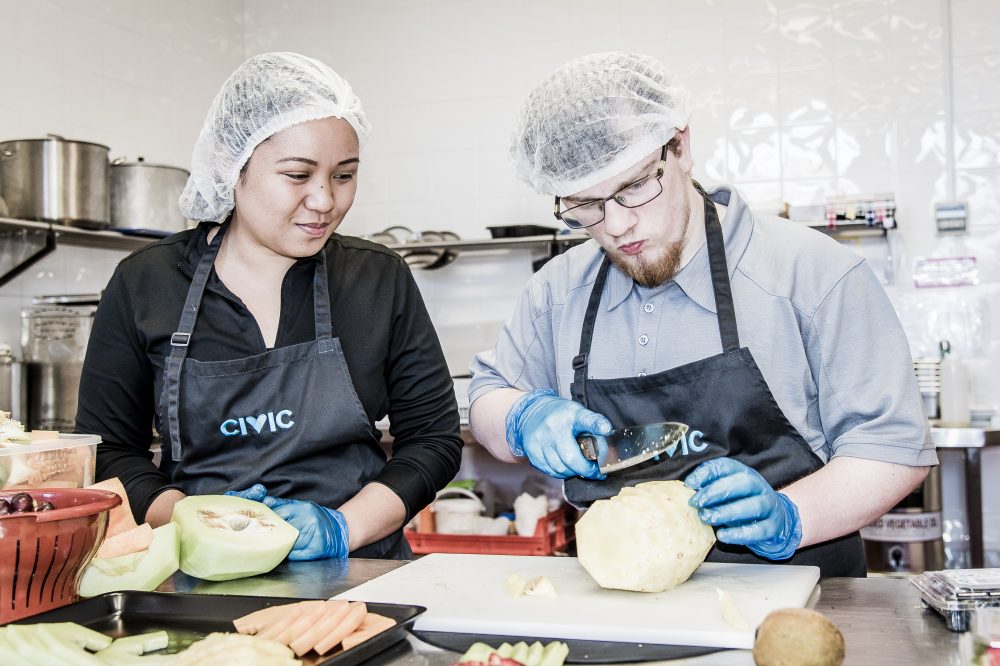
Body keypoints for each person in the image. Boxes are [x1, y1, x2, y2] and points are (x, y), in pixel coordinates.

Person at [468, 52, 935, 576]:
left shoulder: (814, 274)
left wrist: (793, 516)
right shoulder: (556, 292)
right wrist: (520, 418)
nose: (617, 226)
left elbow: (894, 449)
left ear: (681, 145)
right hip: (619, 602)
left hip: (799, 597)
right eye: (585, 206)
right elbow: (486, 395)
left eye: (635, 187)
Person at [76, 52, 463, 560]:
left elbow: (433, 440)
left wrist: (342, 528)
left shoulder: (376, 277)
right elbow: (109, 449)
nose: (325, 200)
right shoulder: (147, 281)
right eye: (298, 175)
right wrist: (199, 522)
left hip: (363, 568)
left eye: (343, 176)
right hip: (199, 573)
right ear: (231, 167)